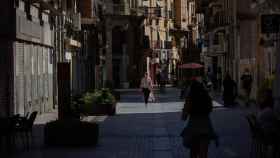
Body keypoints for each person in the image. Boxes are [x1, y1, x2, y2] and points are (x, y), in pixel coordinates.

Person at [181, 80, 218, 158]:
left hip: (193, 128)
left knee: (193, 153)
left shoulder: (190, 98)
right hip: (206, 127)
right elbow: (210, 109)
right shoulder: (206, 97)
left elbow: (184, 117)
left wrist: (185, 111)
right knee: (204, 154)